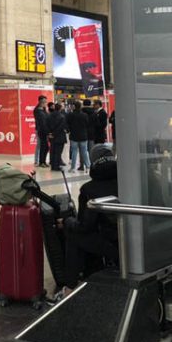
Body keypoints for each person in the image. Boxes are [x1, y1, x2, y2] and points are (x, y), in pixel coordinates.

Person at [56, 143, 119, 298]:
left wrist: (67, 222)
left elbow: (85, 226)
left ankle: (70, 287)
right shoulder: (127, 181)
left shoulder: (89, 189)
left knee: (75, 236)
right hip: (136, 240)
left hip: (114, 244)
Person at [66, 101, 90, 172]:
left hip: (74, 136)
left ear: (74, 106)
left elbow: (67, 124)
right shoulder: (85, 115)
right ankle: (88, 167)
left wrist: (69, 130)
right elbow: (87, 124)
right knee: (84, 152)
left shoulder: (70, 115)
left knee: (74, 152)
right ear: (81, 106)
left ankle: (73, 168)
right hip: (83, 136)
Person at [48, 103, 68, 170]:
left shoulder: (49, 115)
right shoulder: (62, 116)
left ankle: (53, 165)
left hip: (52, 137)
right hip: (59, 137)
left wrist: (50, 133)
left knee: (53, 151)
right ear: (60, 108)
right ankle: (56, 166)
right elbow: (61, 127)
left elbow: (47, 125)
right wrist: (54, 134)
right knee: (58, 152)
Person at [33, 96, 51, 167]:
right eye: (44, 102)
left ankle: (43, 161)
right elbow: (42, 123)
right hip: (41, 130)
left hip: (45, 130)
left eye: (46, 101)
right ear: (40, 102)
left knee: (45, 147)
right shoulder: (37, 111)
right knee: (43, 146)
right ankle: (41, 162)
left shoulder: (43, 110)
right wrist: (47, 132)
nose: (45, 103)